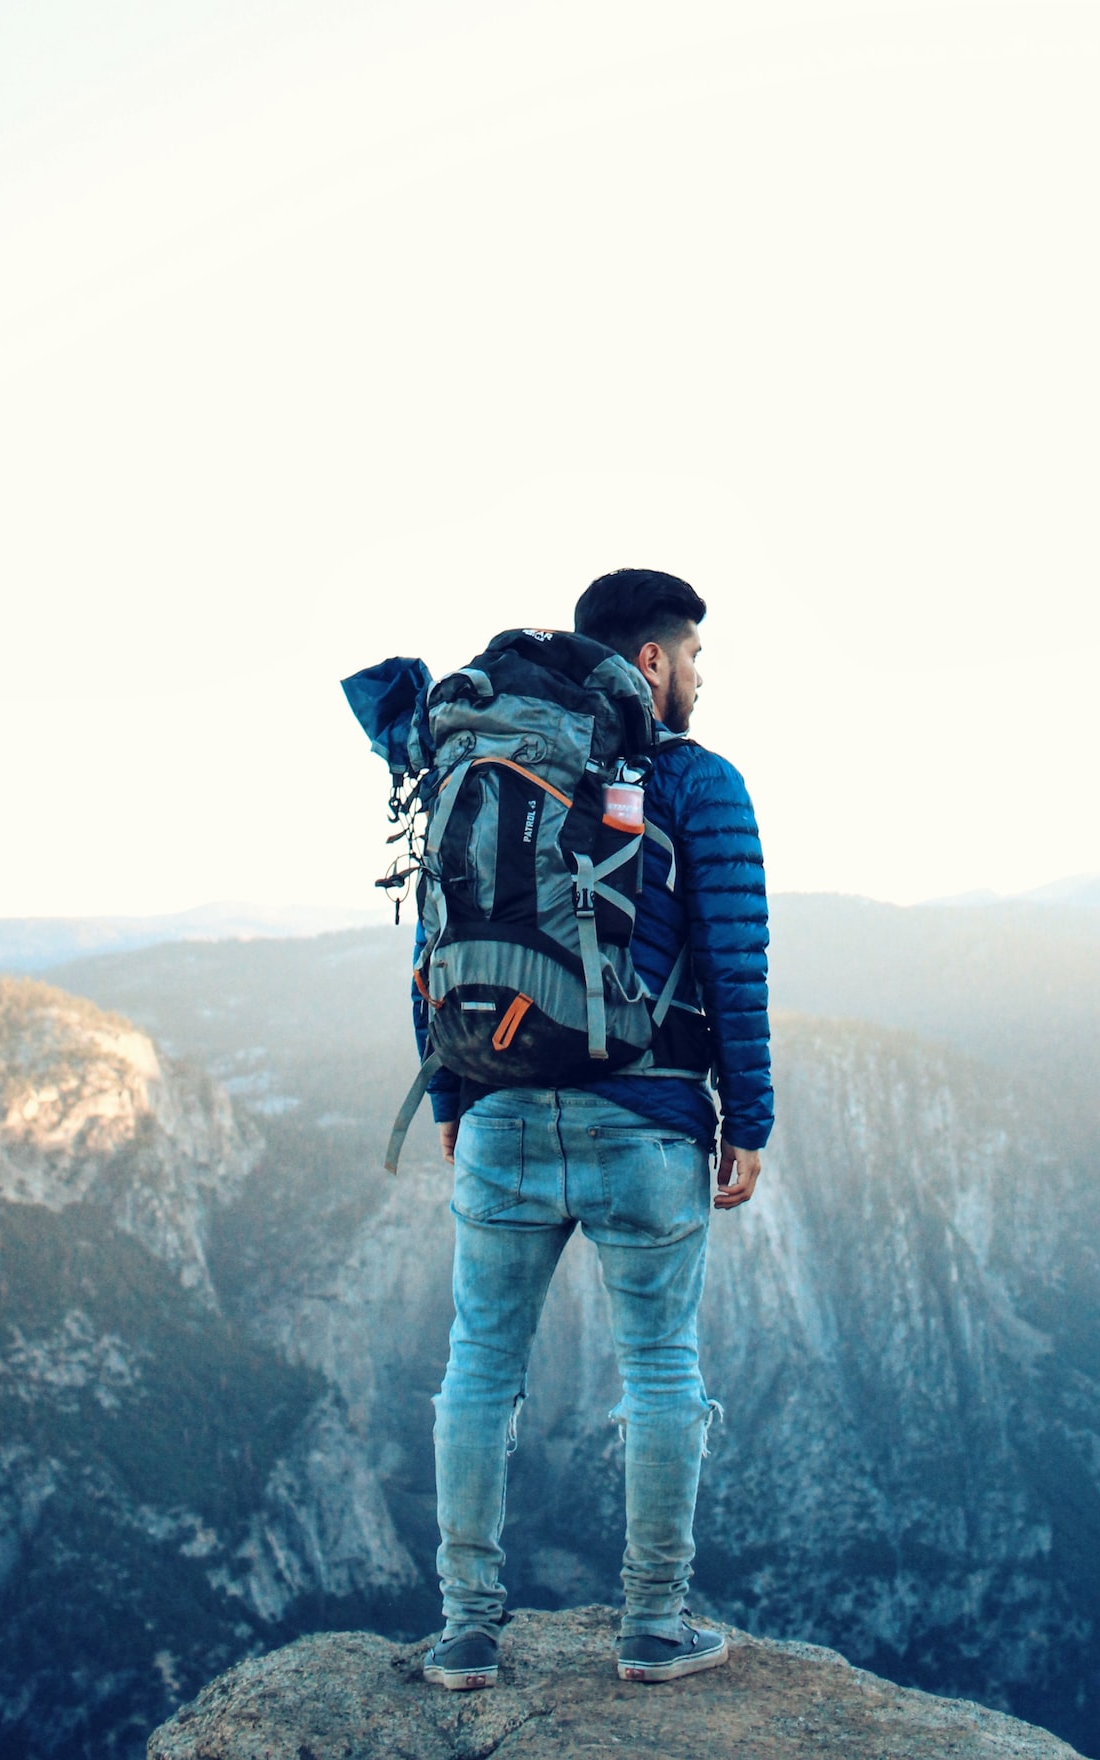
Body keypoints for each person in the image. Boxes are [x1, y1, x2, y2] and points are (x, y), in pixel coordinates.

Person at [419, 567, 774, 1692]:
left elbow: (435, 933)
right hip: (648, 1116)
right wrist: (747, 1116)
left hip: (502, 1108)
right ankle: (653, 1626)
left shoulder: (489, 761)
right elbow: (736, 959)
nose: (703, 682)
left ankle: (469, 1630)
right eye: (696, 661)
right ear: (654, 661)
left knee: (479, 1366)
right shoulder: (699, 783)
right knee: (662, 1368)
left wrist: (450, 1095)